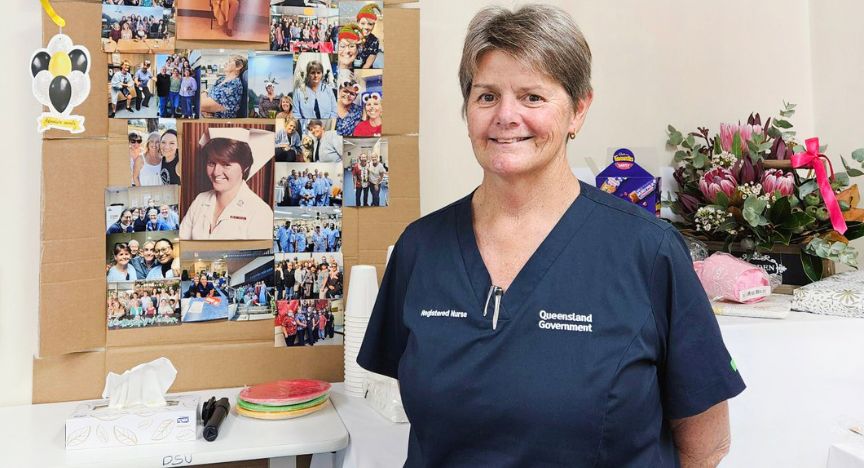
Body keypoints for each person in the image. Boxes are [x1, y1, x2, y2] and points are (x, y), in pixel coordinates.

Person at [356, 5, 745, 467]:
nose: (506, 116)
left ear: (578, 110)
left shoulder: (648, 250)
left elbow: (707, 443)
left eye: (533, 97)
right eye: (486, 96)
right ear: (467, 110)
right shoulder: (420, 248)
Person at [180, 137, 273, 240]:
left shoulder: (260, 211)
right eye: (211, 163)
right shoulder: (200, 200)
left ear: (245, 167)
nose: (216, 172)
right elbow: (182, 241)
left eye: (226, 164)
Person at [355, 4, 381, 69]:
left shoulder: (374, 41)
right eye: (363, 23)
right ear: (358, 23)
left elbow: (368, 63)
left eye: (370, 24)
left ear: (373, 25)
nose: (366, 27)